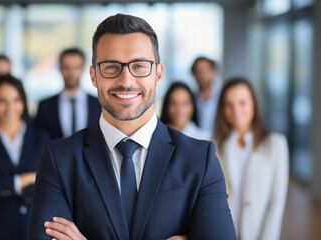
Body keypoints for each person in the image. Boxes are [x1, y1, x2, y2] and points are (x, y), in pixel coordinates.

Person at [28, 13, 236, 240]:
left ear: (158, 73)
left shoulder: (200, 158)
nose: (126, 81)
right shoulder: (59, 159)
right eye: (110, 66)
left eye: (139, 66)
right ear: (94, 76)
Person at [0, 75, 49, 240]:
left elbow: (50, 184)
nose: (10, 107)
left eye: (16, 100)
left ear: (24, 101)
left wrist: (0, 184)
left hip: (34, 227)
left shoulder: (42, 138)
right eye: (2, 101)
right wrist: (30, 177)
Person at [213, 78, 289, 240]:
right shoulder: (214, 146)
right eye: (229, 104)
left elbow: (276, 203)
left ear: (254, 104)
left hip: (257, 233)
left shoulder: (276, 145)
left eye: (242, 102)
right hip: (223, 232)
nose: (236, 110)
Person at [35, 47, 101, 139]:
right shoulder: (45, 106)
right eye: (66, 67)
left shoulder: (99, 104)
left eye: (77, 67)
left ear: (83, 69)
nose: (71, 73)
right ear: (60, 69)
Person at [191, 56, 220, 135]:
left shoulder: (222, 98)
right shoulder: (190, 99)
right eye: (198, 71)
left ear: (214, 72)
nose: (202, 75)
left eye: (205, 70)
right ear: (193, 74)